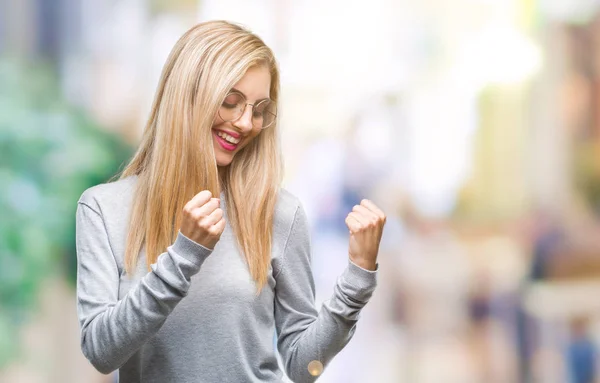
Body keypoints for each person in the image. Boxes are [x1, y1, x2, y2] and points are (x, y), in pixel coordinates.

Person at [75, 20, 386, 383]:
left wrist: (357, 279)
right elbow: (100, 353)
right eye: (230, 102)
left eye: (257, 110)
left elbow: (304, 367)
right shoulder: (103, 209)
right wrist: (183, 257)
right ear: (187, 95)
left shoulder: (281, 215)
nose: (245, 123)